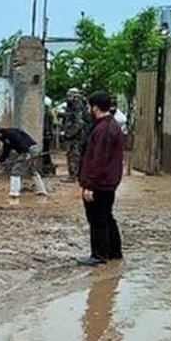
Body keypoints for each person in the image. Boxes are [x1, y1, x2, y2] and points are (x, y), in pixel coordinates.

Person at [77, 91, 126, 266]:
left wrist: (89, 185)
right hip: (107, 181)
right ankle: (114, 252)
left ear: (95, 107)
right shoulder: (109, 125)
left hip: (100, 183)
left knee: (98, 219)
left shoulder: (104, 129)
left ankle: (99, 255)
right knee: (106, 217)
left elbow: (98, 159)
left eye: (90, 107)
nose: (88, 110)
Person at [0, 126, 48, 197]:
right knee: (32, 170)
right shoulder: (6, 137)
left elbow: (21, 141)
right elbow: (6, 151)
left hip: (28, 150)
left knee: (16, 170)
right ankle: (41, 190)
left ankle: (14, 193)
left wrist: (27, 153)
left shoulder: (10, 134)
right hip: (32, 149)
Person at [60, 88, 88, 181]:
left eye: (70, 96)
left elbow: (78, 123)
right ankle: (76, 175)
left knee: (73, 156)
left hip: (76, 137)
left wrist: (68, 134)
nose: (68, 98)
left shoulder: (77, 107)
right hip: (75, 136)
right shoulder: (72, 107)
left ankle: (73, 176)